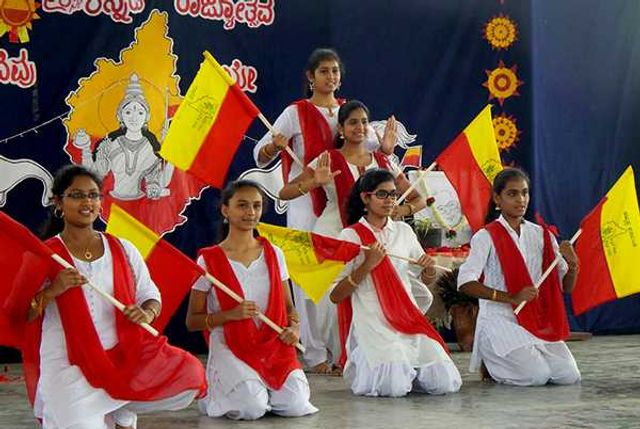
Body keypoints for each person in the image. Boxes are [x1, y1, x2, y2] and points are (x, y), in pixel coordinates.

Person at [19, 165, 206, 429]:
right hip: (67, 367)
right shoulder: (44, 255)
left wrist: (146, 312)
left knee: (190, 372)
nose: (87, 202)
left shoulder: (122, 248)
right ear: (59, 203)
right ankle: (116, 404)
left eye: (93, 195)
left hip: (122, 360)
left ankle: (121, 401)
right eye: (76, 195)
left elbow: (150, 295)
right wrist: (53, 291)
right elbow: (20, 314)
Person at [253, 48, 396, 374]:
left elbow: (371, 153)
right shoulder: (295, 113)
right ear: (310, 77)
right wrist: (273, 147)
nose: (331, 77)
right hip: (306, 202)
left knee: (348, 276)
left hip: (345, 204)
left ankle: (346, 348)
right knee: (309, 279)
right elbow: (259, 156)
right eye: (324, 72)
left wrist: (386, 148)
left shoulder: (350, 111)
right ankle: (315, 353)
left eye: (335, 71)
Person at [278, 101, 426, 371]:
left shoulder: (382, 161)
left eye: (364, 122)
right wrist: (314, 182)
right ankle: (334, 356)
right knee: (329, 299)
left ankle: (365, 353)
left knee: (369, 294)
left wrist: (396, 210)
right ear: (342, 129)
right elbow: (284, 192)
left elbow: (419, 199)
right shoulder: (328, 158)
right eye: (353, 122)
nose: (360, 127)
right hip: (334, 233)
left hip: (373, 235)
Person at [186, 180, 318, 420]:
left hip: (273, 345)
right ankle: (216, 392)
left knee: (295, 405)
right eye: (242, 205)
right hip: (230, 344)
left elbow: (289, 308)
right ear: (226, 210)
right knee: (251, 408)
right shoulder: (209, 261)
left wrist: (295, 328)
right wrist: (230, 315)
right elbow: (192, 322)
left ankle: (261, 388)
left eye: (256, 206)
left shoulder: (274, 254)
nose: (250, 212)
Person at [328, 169, 461, 397]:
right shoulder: (350, 237)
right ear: (365, 198)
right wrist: (367, 265)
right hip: (373, 321)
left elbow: (423, 278)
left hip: (407, 318)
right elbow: (336, 295)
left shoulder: (404, 231)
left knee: (445, 382)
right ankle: (396, 369)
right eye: (382, 194)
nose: (389, 200)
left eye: (392, 194)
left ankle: (409, 369)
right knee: (393, 386)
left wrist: (429, 270)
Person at [457, 167, 581, 386]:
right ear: (498, 198)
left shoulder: (541, 235)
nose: (520, 199)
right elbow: (465, 283)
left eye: (524, 193)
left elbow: (566, 287)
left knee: (568, 376)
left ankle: (517, 358)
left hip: (536, 319)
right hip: (499, 319)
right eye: (512, 194)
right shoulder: (486, 236)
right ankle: (493, 361)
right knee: (536, 376)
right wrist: (512, 297)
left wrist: (572, 266)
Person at [73, 73, 173, 200]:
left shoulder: (149, 147)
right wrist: (85, 148)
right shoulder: (109, 145)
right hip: (110, 201)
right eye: (128, 112)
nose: (134, 117)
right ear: (120, 116)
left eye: (140, 112)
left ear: (146, 118)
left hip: (139, 207)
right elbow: (93, 174)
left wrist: (171, 150)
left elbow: (159, 181)